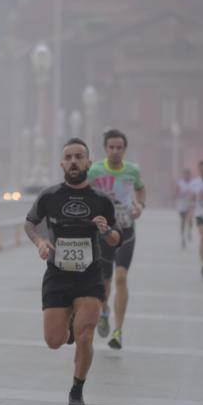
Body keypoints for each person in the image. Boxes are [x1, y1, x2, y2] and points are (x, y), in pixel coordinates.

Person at [24, 138, 120, 405]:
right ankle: (68, 327)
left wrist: (106, 232)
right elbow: (30, 224)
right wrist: (41, 242)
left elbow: (115, 238)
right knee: (53, 341)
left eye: (80, 156)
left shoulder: (101, 200)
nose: (74, 161)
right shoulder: (50, 196)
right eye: (69, 157)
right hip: (57, 274)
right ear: (62, 164)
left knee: (85, 335)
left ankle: (77, 387)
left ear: (89, 163)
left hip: (89, 275)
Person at [87, 129, 146, 350]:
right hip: (104, 233)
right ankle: (104, 312)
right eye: (111, 147)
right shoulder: (95, 170)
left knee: (121, 278)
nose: (115, 151)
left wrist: (140, 205)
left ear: (124, 149)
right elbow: (86, 192)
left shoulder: (133, 170)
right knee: (105, 282)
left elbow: (140, 189)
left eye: (119, 148)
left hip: (127, 231)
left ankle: (118, 331)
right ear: (105, 148)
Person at [174, 169, 195, 247]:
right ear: (183, 175)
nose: (187, 176)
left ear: (190, 175)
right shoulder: (180, 183)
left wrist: (192, 195)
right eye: (185, 175)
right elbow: (175, 194)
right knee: (183, 221)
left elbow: (195, 193)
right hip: (181, 205)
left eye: (188, 175)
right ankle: (183, 237)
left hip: (190, 204)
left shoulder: (193, 183)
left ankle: (189, 231)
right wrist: (181, 194)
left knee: (189, 219)